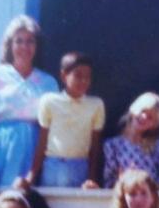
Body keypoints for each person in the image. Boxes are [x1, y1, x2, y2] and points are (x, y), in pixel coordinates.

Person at [0, 15, 59, 187]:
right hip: (0, 148)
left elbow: (50, 127)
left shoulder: (49, 82)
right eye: (19, 41)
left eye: (30, 41)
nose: (24, 47)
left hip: (34, 149)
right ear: (10, 45)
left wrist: (36, 168)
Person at [21, 52, 104, 189]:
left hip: (80, 166)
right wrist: (31, 175)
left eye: (87, 77)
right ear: (64, 75)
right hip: (52, 166)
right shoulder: (49, 101)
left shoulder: (96, 105)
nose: (84, 81)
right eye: (78, 76)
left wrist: (91, 178)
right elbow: (42, 142)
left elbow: (95, 147)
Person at [104, 92, 159, 189]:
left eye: (150, 117)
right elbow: (108, 181)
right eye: (143, 111)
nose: (144, 117)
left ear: (154, 125)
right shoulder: (112, 145)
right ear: (133, 110)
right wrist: (123, 181)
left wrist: (143, 184)